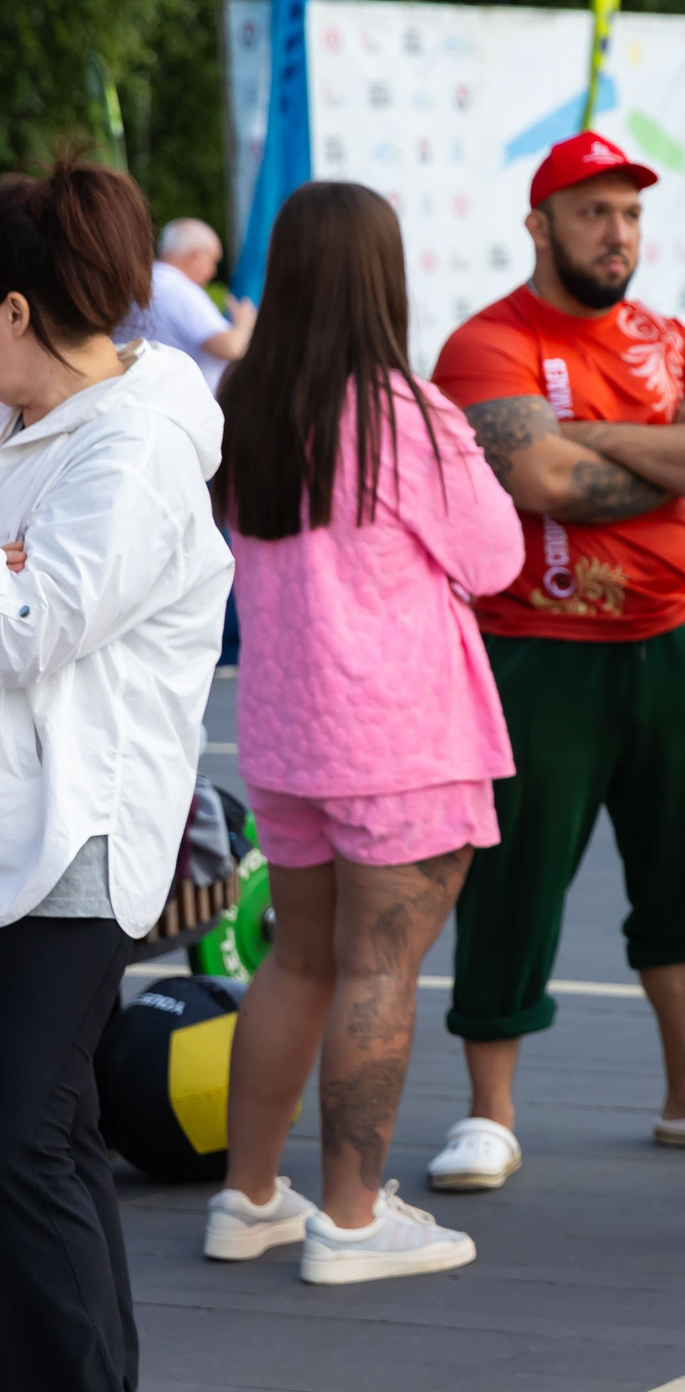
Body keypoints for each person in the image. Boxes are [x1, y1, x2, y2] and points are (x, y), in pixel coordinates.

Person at [426, 131, 685, 1192]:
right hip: (535, 651)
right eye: (593, 211)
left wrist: (585, 433)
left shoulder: (679, 339)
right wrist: (647, 445)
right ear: (540, 225)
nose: (617, 232)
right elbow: (537, 483)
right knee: (510, 885)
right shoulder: (484, 345)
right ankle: (488, 1113)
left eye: (631, 213)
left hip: (673, 638)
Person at [204, 181, 520, 1284]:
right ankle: (349, 1217)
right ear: (384, 279)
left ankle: (248, 1198)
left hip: (289, 735)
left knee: (297, 965)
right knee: (380, 971)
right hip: (402, 739)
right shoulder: (408, 413)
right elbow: (495, 559)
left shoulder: (246, 404)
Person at [0, 155, 230, 1391]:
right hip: (20, 830)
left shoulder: (135, 443)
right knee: (57, 1134)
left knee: (22, 1140)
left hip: (77, 837)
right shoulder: (34, 424)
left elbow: (35, 623)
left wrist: (21, 571)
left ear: (15, 311)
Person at [125, 216, 255, 391]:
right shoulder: (178, 289)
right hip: (185, 404)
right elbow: (229, 347)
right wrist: (244, 324)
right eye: (212, 261)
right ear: (195, 256)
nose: (213, 271)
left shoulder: (146, 283)